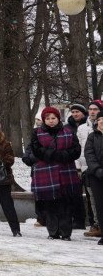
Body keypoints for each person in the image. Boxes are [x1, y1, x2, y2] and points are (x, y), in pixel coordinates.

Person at [23, 106, 81, 240]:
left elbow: (76, 150)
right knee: (50, 205)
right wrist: (52, 154)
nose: (51, 121)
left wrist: (62, 156)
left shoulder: (68, 131)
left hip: (65, 172)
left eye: (53, 118)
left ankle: (66, 233)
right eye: (48, 118)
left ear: (58, 119)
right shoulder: (37, 133)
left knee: (65, 204)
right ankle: (53, 232)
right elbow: (36, 149)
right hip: (46, 172)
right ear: (44, 120)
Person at [76, 100, 101, 237]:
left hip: (99, 166)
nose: (92, 112)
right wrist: (79, 167)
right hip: (87, 167)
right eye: (90, 109)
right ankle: (96, 224)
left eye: (95, 109)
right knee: (92, 198)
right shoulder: (82, 128)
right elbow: (80, 149)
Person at [83, 114, 103, 245]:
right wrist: (97, 170)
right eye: (99, 120)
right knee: (100, 206)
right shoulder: (92, 136)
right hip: (97, 176)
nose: (101, 122)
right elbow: (89, 154)